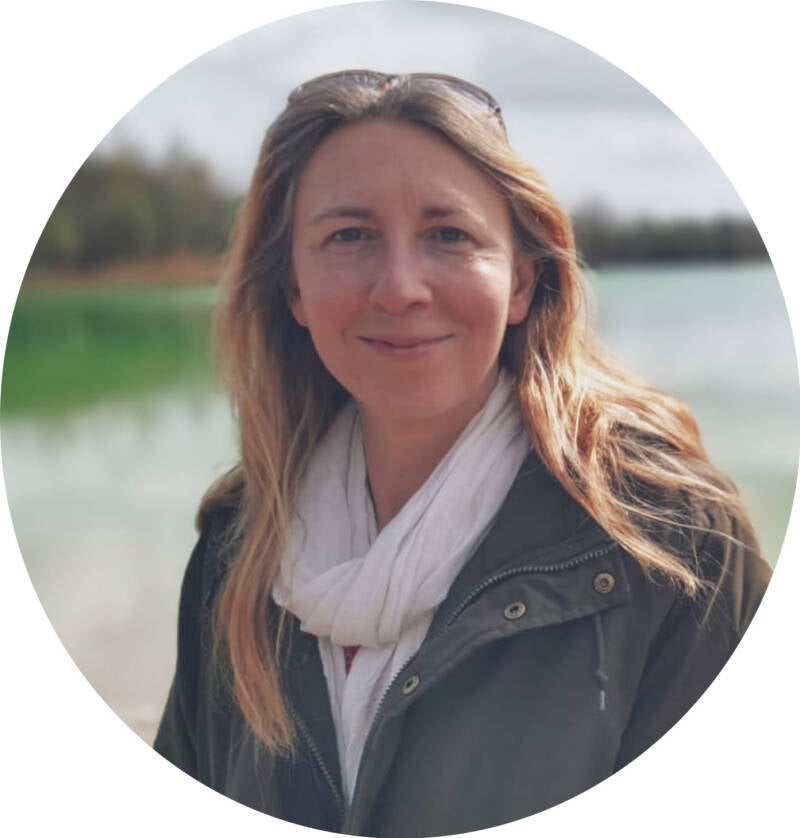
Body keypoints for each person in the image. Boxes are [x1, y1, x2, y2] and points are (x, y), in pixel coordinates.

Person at [154, 70, 771, 837]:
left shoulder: (674, 543)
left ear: (523, 282)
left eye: (449, 234)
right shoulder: (237, 547)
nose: (399, 288)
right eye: (349, 236)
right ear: (295, 291)